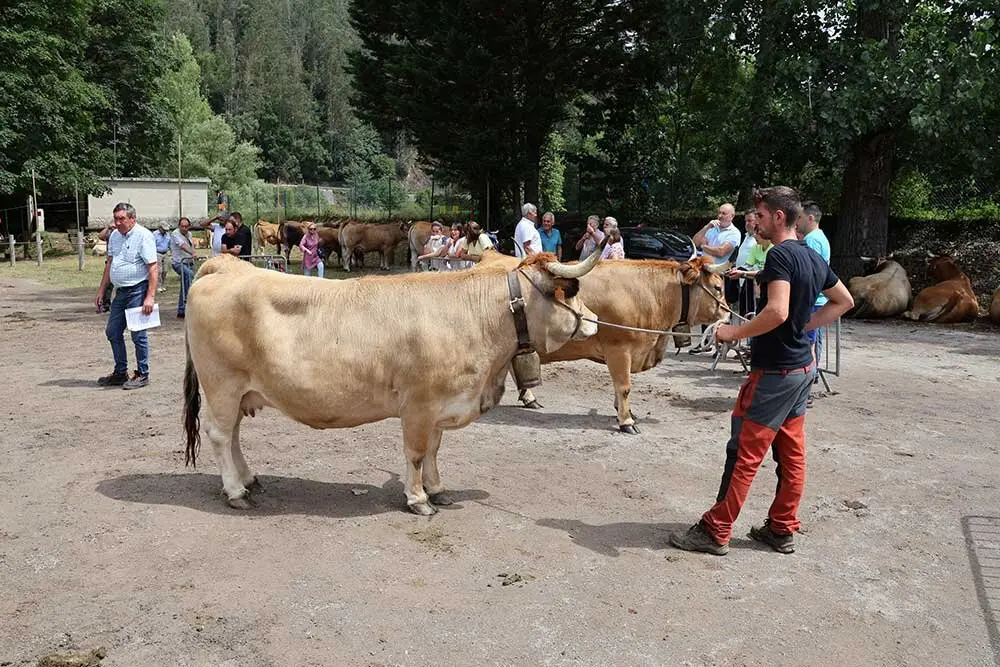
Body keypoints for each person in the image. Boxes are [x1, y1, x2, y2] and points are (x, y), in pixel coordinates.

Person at [669, 186, 854, 557]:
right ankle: (781, 528)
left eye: (762, 216)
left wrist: (732, 332)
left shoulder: (781, 256)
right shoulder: (810, 255)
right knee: (791, 453)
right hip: (802, 368)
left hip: (775, 373)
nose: (756, 223)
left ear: (779, 217)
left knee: (744, 453)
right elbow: (843, 300)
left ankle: (715, 530)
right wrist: (806, 327)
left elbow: (777, 312)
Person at [94, 203, 158, 390]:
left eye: (122, 219)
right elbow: (110, 264)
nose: (118, 222)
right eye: (116, 218)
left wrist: (150, 297)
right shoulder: (114, 236)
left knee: (138, 333)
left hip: (138, 289)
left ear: (132, 219)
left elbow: (153, 267)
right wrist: (102, 290)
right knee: (113, 331)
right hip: (120, 291)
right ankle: (120, 372)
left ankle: (142, 373)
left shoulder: (144, 236)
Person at [690, 203, 742, 354]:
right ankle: (705, 342)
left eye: (724, 213)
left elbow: (721, 252)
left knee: (722, 309)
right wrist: (706, 227)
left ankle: (723, 344)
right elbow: (695, 241)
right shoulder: (712, 228)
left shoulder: (735, 233)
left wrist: (704, 247)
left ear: (732, 216)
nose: (720, 216)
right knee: (705, 308)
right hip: (705, 274)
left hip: (721, 275)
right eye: (719, 213)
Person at [796, 201, 831, 370]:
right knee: (812, 340)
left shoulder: (812, 241)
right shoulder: (818, 238)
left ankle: (808, 379)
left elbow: (810, 273)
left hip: (812, 300)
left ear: (810, 218)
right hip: (816, 299)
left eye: (800, 217)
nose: (797, 221)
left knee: (808, 342)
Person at [170, 217, 197, 318]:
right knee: (189, 276)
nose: (184, 228)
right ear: (179, 226)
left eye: (186, 226)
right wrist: (193, 252)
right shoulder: (175, 234)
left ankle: (182, 309)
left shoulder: (189, 234)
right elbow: (182, 246)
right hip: (178, 263)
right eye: (182, 226)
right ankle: (184, 307)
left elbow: (190, 245)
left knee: (186, 284)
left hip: (189, 262)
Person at [153, 222, 171, 292]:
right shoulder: (154, 234)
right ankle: (158, 286)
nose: (165, 231)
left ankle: (163, 285)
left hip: (165, 253)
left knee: (165, 270)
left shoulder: (168, 235)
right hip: (157, 253)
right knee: (159, 271)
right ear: (160, 228)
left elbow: (169, 244)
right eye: (164, 230)